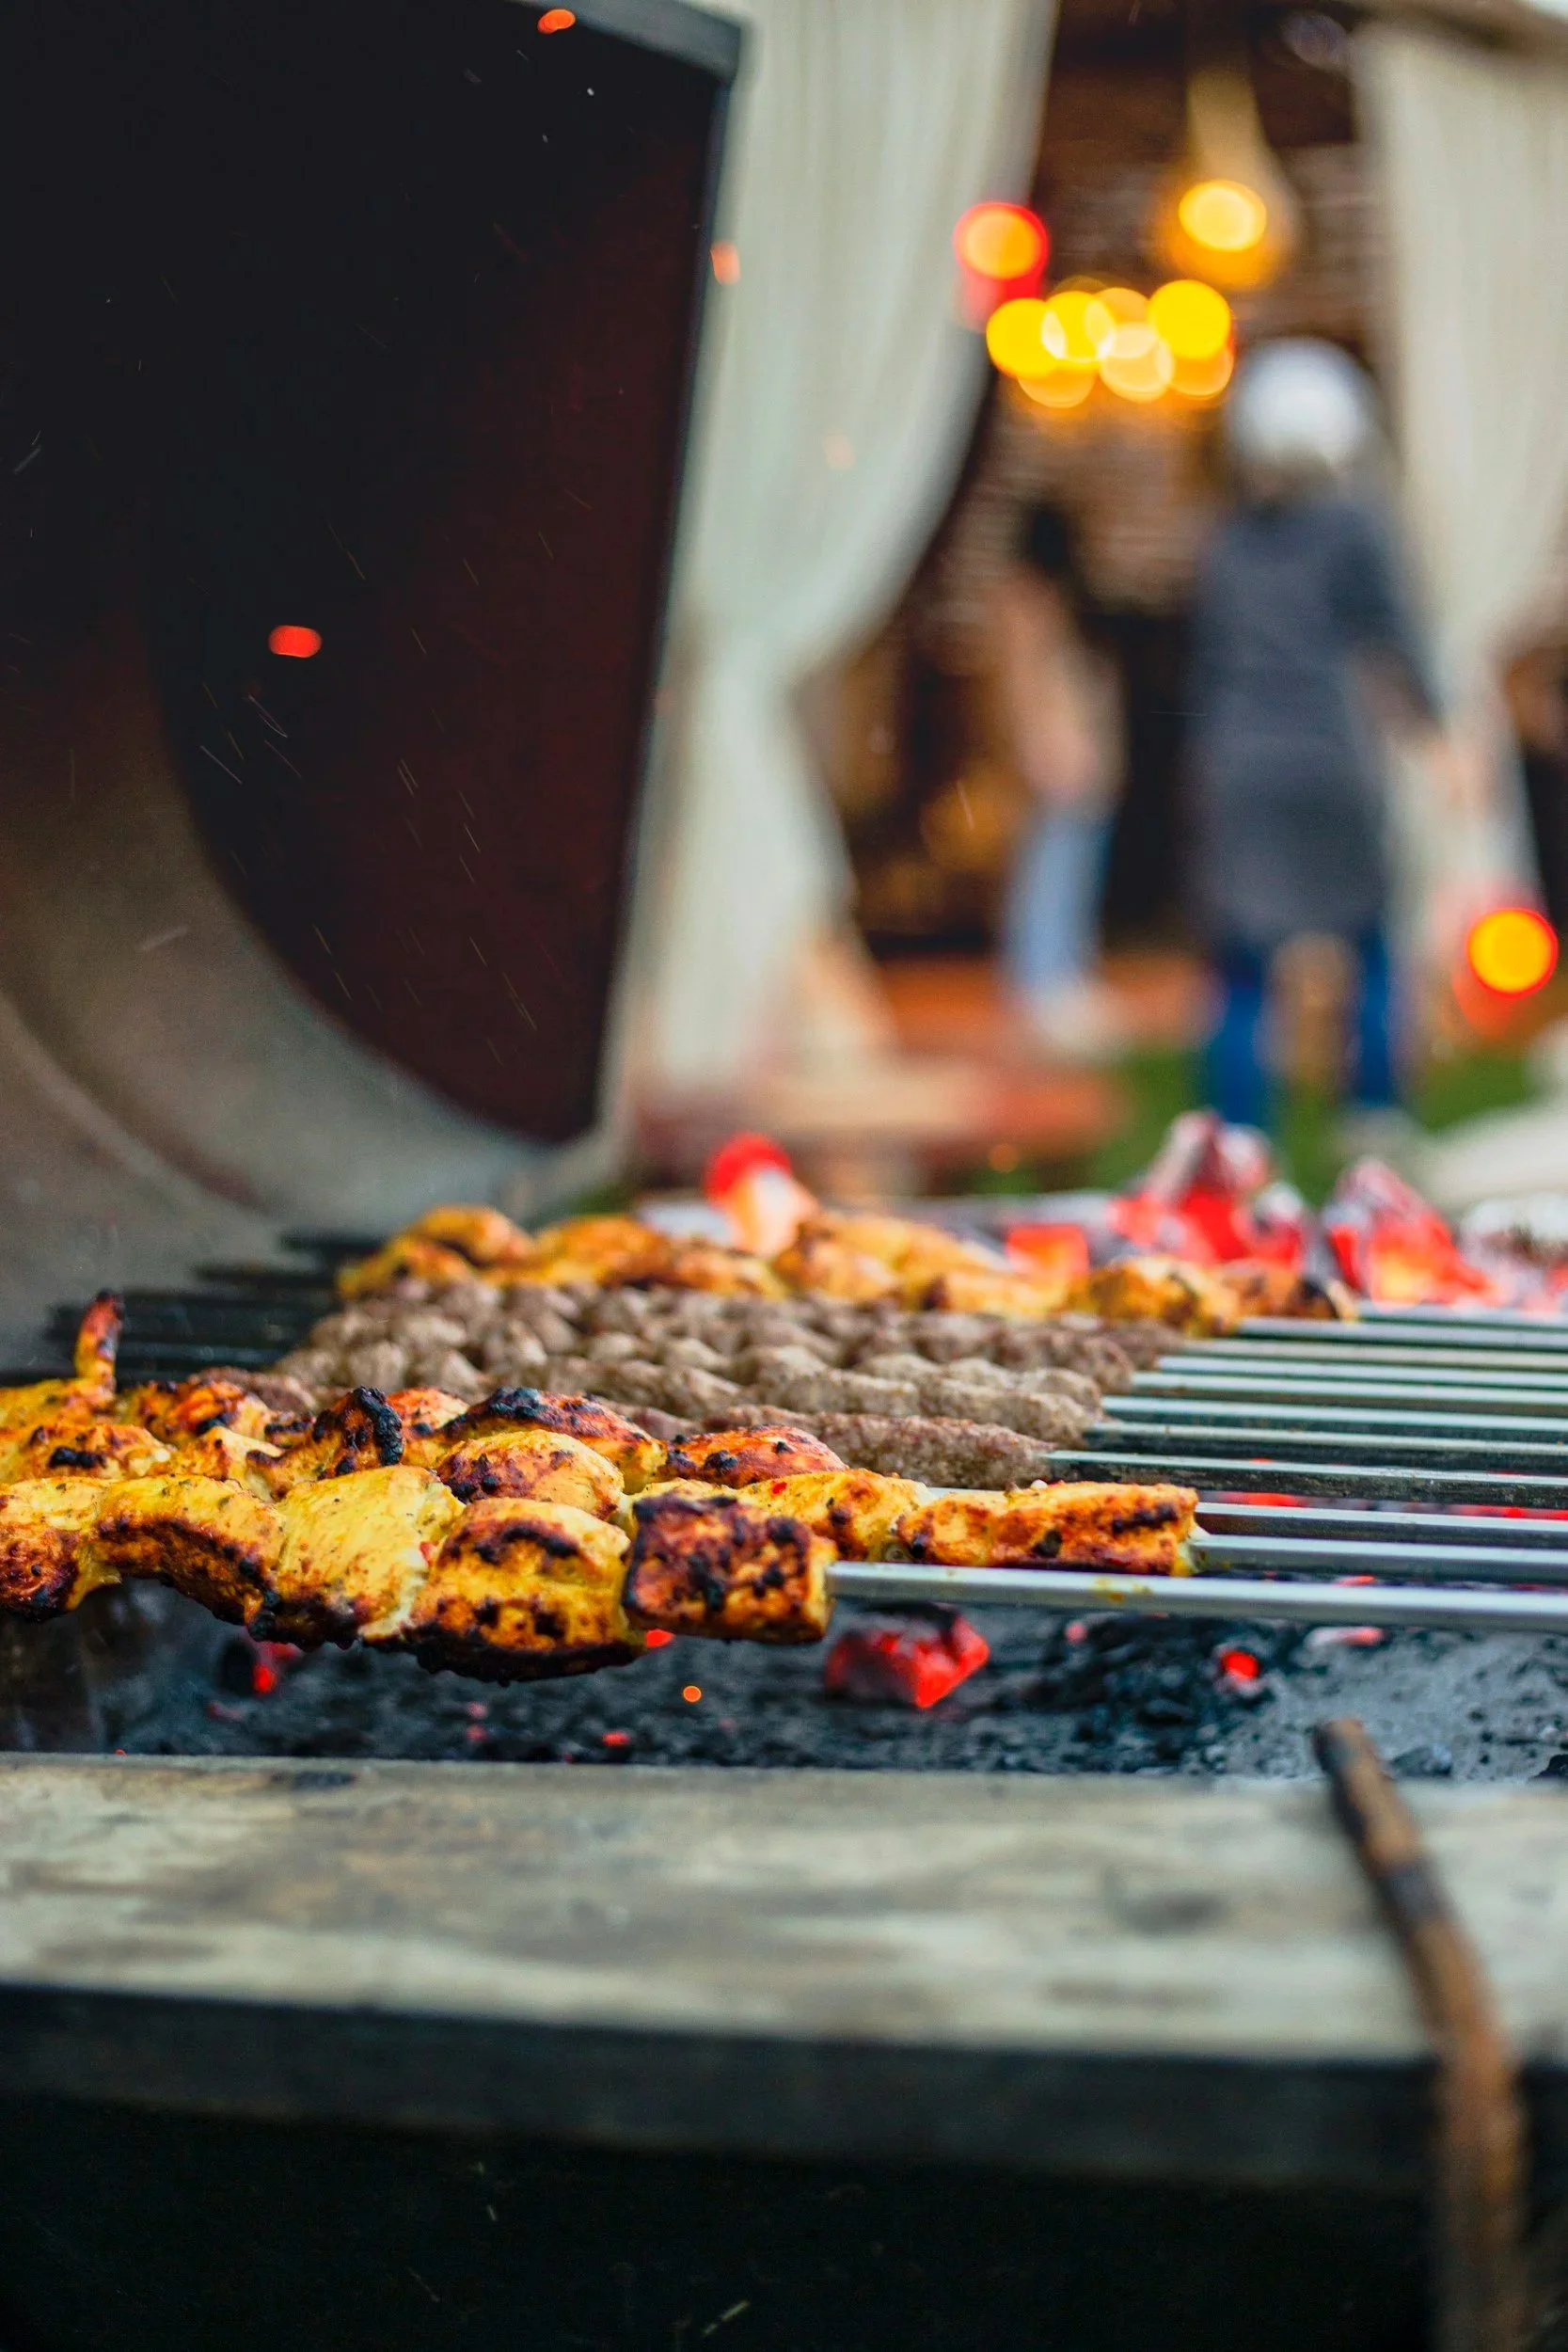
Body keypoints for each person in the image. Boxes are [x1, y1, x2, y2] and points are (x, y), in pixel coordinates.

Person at [1187, 340, 1445, 1134]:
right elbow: (1392, 635)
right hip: (1333, 759)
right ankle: (1372, 1112)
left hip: (1235, 763)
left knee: (1239, 961)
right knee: (1367, 939)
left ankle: (1233, 1137)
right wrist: (1439, 729)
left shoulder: (1223, 539)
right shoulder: (1356, 527)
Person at [993, 501, 1128, 1059]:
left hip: (1080, 749)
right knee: (1050, 867)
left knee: (1067, 865)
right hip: (1059, 749)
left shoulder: (1048, 602)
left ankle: (1058, 976)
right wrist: (1039, 745)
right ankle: (1040, 983)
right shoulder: (1027, 603)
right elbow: (1022, 684)